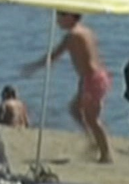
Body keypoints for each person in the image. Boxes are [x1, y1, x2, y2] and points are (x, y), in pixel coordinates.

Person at [21, 11, 112, 163]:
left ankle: (106, 154)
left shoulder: (73, 36)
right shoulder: (86, 31)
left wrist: (34, 67)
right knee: (75, 110)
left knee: (92, 118)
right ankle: (93, 140)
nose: (57, 20)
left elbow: (54, 56)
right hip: (92, 77)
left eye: (60, 16)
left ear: (70, 17)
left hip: (93, 78)